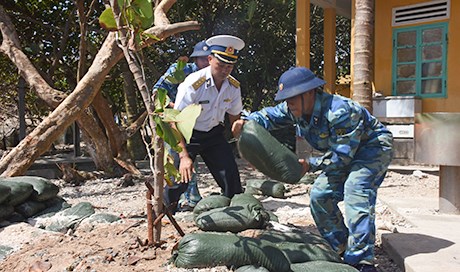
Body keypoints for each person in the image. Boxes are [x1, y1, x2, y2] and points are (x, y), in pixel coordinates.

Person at [232, 67, 393, 272]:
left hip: (372, 148)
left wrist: (310, 164)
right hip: (340, 153)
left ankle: (362, 261)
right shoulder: (293, 108)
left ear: (309, 93)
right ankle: (340, 245)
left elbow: (341, 157)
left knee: (356, 190)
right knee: (319, 195)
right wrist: (245, 122)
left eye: (291, 97)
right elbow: (267, 117)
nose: (288, 102)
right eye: (285, 98)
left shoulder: (340, 111)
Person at [163, 35, 245, 212]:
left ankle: (236, 214)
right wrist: (184, 157)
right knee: (178, 181)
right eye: (220, 65)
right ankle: (163, 213)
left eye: (229, 66)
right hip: (187, 134)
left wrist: (244, 148)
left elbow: (235, 119)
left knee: (230, 176)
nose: (224, 70)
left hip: (214, 134)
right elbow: (174, 121)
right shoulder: (193, 84)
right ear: (210, 59)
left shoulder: (233, 86)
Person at [153, 41, 210, 211]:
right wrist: (172, 108)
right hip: (172, 120)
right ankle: (169, 202)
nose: (206, 64)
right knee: (175, 158)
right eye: (202, 60)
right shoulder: (180, 70)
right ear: (196, 60)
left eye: (208, 60)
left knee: (191, 158)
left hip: (191, 122)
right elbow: (157, 92)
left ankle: (191, 197)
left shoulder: (211, 76)